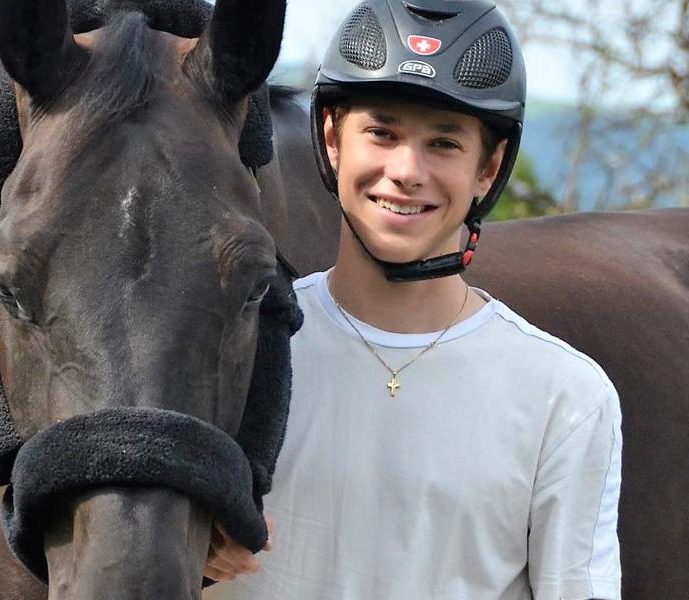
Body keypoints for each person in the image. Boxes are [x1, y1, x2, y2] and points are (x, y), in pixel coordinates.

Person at [205, 1, 622, 598]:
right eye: (382, 132)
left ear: (489, 168)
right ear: (330, 140)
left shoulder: (567, 396)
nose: (406, 170)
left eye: (444, 144)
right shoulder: (239, 346)